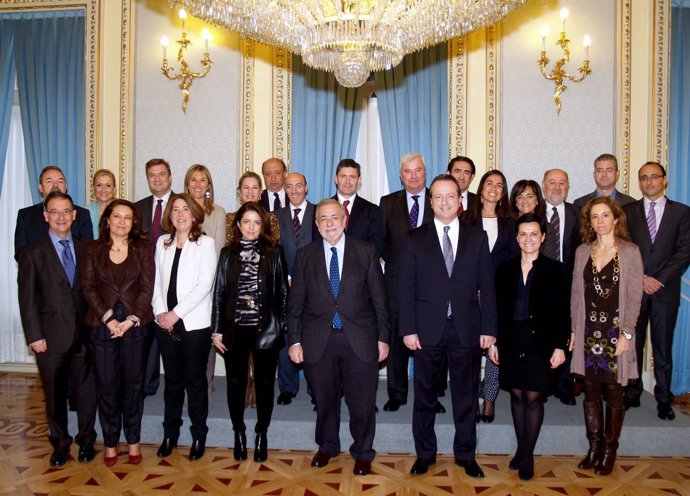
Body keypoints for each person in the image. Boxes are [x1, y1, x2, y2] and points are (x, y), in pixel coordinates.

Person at [399, 174, 497, 478]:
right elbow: (406, 288)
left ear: (460, 200)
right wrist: (408, 329)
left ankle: (466, 455)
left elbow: (487, 287)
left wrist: (489, 329)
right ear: (431, 202)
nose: (444, 202)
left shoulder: (477, 237)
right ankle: (424, 454)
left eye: (450, 196)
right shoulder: (414, 238)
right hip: (426, 330)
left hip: (467, 328)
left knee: (465, 395)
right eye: (438, 197)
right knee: (425, 395)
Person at [288, 199, 390, 476]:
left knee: (363, 401)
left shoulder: (366, 251)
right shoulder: (305, 256)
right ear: (317, 224)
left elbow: (380, 299)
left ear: (344, 220)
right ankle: (328, 446)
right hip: (318, 340)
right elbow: (295, 304)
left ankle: (363, 451)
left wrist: (383, 338)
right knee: (324, 399)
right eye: (324, 219)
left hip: (360, 339)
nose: (330, 223)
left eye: (335, 217)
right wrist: (294, 341)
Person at [17, 191, 97, 467]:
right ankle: (60, 444)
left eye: (66, 211)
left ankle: (86, 441)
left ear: (75, 215)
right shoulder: (32, 252)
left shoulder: (88, 248)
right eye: (55, 212)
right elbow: (27, 299)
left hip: (85, 335)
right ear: (45, 216)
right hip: (50, 338)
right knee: (54, 395)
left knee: (87, 392)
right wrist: (34, 336)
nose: (61, 217)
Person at [491, 213, 569, 481]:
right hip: (512, 339)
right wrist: (495, 342)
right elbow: (497, 310)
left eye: (534, 234)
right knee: (516, 395)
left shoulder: (555, 270)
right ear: (516, 237)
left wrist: (560, 346)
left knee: (533, 397)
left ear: (543, 237)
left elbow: (563, 312)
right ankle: (520, 449)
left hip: (542, 341)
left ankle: (527, 455)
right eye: (523, 234)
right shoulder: (504, 268)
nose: (528, 239)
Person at [570, 197, 643, 475]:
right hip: (589, 330)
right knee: (590, 390)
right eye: (594, 217)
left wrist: (627, 332)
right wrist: (574, 331)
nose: (600, 221)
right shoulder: (582, 252)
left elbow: (635, 295)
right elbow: (576, 293)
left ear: (616, 218)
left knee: (614, 390)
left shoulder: (630, 251)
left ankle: (610, 450)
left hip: (615, 330)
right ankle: (594, 447)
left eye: (605, 215)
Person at [79, 199, 154, 466]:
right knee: (107, 387)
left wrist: (131, 319)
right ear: (107, 220)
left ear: (134, 222)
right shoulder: (91, 249)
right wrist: (110, 319)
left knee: (133, 387)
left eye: (128, 217)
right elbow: (87, 287)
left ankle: (133, 440)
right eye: (117, 216)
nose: (122, 222)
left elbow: (147, 288)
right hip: (102, 326)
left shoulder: (143, 249)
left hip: (136, 325)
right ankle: (111, 442)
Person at [212, 202, 288, 463]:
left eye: (257, 222)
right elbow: (220, 293)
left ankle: (261, 433)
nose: (252, 227)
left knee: (265, 385)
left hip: (266, 330)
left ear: (263, 225)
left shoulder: (275, 252)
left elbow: (283, 295)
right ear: (238, 225)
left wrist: (282, 327)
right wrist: (216, 331)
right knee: (236, 384)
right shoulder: (226, 253)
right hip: (235, 330)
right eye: (247, 222)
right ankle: (239, 432)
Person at [623, 162, 690, 420]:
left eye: (654, 177)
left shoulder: (682, 213)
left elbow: (684, 252)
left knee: (662, 347)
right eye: (644, 178)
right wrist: (640, 277)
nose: (649, 181)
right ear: (640, 182)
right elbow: (623, 248)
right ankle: (632, 392)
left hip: (665, 292)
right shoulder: (629, 211)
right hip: (635, 290)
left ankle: (664, 397)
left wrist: (658, 279)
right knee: (632, 345)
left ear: (664, 180)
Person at [152, 194, 217, 461]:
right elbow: (155, 281)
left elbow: (204, 286)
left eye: (185, 210)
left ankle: (198, 435)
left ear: (194, 215)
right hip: (164, 324)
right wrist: (160, 315)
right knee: (173, 382)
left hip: (194, 325)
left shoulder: (205, 243)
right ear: (170, 214)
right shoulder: (162, 243)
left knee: (196, 381)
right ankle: (171, 433)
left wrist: (175, 314)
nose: (180, 214)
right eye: (175, 209)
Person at [379, 153, 436, 413]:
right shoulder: (388, 203)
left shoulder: (439, 199)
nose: (413, 176)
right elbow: (382, 243)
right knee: (397, 340)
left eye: (418, 171)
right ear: (400, 175)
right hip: (396, 285)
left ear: (426, 173)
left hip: (430, 287)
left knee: (429, 344)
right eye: (408, 171)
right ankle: (397, 393)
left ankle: (429, 397)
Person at [462, 170, 519, 424]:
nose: (494, 188)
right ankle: (472, 398)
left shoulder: (511, 222)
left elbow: (516, 260)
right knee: (472, 349)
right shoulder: (465, 219)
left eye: (499, 185)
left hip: (500, 295)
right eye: (489, 183)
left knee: (496, 350)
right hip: (470, 294)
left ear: (503, 191)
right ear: (480, 188)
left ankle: (490, 398)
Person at [225, 172, 281, 408]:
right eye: (245, 188)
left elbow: (273, 252)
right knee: (238, 362)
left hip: (262, 293)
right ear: (239, 192)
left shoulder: (270, 218)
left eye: (254, 187)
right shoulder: (230, 218)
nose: (250, 192)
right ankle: (244, 388)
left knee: (262, 361)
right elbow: (229, 254)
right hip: (236, 292)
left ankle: (257, 391)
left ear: (261, 192)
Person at [275, 172, 320, 405]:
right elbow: (273, 253)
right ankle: (288, 387)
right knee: (286, 338)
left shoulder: (319, 212)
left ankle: (315, 389)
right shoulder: (276, 216)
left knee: (313, 337)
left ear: (307, 187)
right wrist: (287, 277)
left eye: (298, 186)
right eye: (289, 186)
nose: (294, 190)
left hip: (314, 287)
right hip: (284, 286)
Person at [184, 164, 227, 404]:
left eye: (203, 180)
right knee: (184, 340)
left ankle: (206, 387)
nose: (198, 184)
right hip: (181, 287)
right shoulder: (179, 209)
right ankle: (185, 390)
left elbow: (220, 250)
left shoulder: (218, 212)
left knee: (206, 338)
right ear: (187, 184)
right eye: (193, 180)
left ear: (209, 185)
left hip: (209, 286)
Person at [135, 158, 174, 397]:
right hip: (144, 282)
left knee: (173, 336)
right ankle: (148, 386)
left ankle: (174, 385)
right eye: (152, 175)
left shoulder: (182, 204)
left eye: (161, 174)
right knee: (147, 335)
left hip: (173, 282)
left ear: (170, 177)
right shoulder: (137, 207)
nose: (157, 179)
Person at [542, 168, 581, 405]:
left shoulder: (579, 214)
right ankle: (544, 382)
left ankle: (564, 383)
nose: (557, 187)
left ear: (568, 187)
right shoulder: (532, 212)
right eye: (552, 183)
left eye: (562, 183)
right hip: (540, 283)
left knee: (568, 332)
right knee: (542, 332)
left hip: (571, 284)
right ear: (544, 185)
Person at [15, 165, 93, 260]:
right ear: (40, 187)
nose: (55, 185)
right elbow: (21, 254)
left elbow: (89, 252)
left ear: (66, 186)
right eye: (49, 181)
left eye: (60, 181)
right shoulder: (26, 216)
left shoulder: (82, 214)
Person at [331, 158, 383, 255]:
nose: (348, 181)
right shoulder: (322, 209)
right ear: (336, 179)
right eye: (343, 176)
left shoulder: (372, 211)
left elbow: (376, 248)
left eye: (352, 177)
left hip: (361, 268)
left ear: (359, 180)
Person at [86, 169, 117, 236]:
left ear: (114, 189)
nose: (103, 190)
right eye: (99, 185)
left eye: (108, 185)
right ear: (93, 189)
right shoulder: (85, 212)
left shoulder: (123, 211)